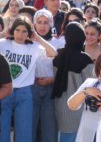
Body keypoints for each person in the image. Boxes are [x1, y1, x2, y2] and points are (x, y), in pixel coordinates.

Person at [0, 17, 57, 142]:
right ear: (12, 30)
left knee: (24, 131)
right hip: (5, 90)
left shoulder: (34, 48)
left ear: (29, 33)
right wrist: (4, 32)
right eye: (17, 30)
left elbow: (53, 53)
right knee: (2, 129)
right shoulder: (4, 43)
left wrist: (37, 37)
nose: (20, 34)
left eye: (24, 31)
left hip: (25, 92)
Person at [51, 22, 95, 142]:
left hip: (59, 105)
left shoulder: (58, 55)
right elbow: (94, 85)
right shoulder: (84, 59)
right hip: (78, 109)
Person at [32, 9, 61, 142]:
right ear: (34, 24)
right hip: (32, 88)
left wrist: (52, 80)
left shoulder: (59, 42)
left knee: (49, 129)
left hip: (51, 89)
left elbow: (61, 67)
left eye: (46, 22)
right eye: (39, 22)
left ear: (51, 24)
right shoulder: (27, 42)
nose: (42, 26)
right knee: (30, 127)